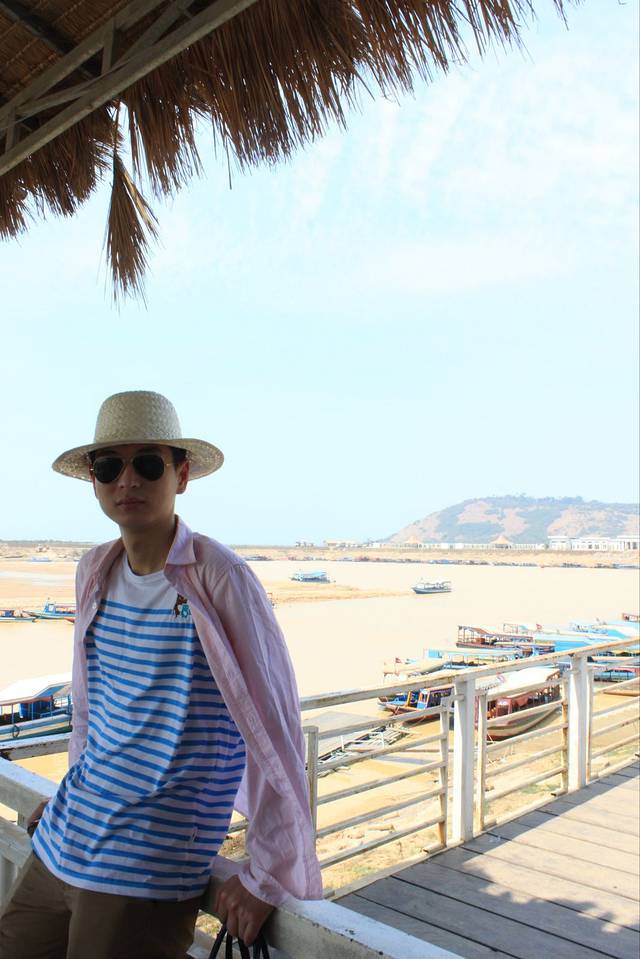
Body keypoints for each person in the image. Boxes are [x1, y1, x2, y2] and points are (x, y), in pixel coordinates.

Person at [0, 390, 322, 959]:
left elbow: (274, 726)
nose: (127, 480)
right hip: (63, 837)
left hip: (147, 864)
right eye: (109, 467)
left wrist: (270, 872)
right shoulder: (94, 570)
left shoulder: (219, 577)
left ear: (182, 475)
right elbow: (93, 708)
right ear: (94, 482)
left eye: (148, 464)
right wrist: (73, 790)